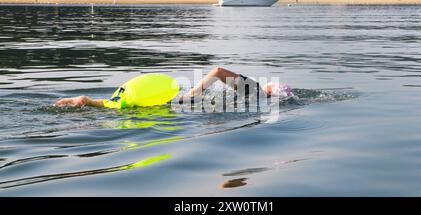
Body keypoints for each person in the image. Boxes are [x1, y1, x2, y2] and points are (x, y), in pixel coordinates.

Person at [55, 67, 293, 107]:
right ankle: (89, 102)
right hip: (189, 101)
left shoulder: (257, 97)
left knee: (137, 107)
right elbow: (218, 71)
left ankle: (89, 102)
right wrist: (193, 93)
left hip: (189, 103)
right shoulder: (256, 91)